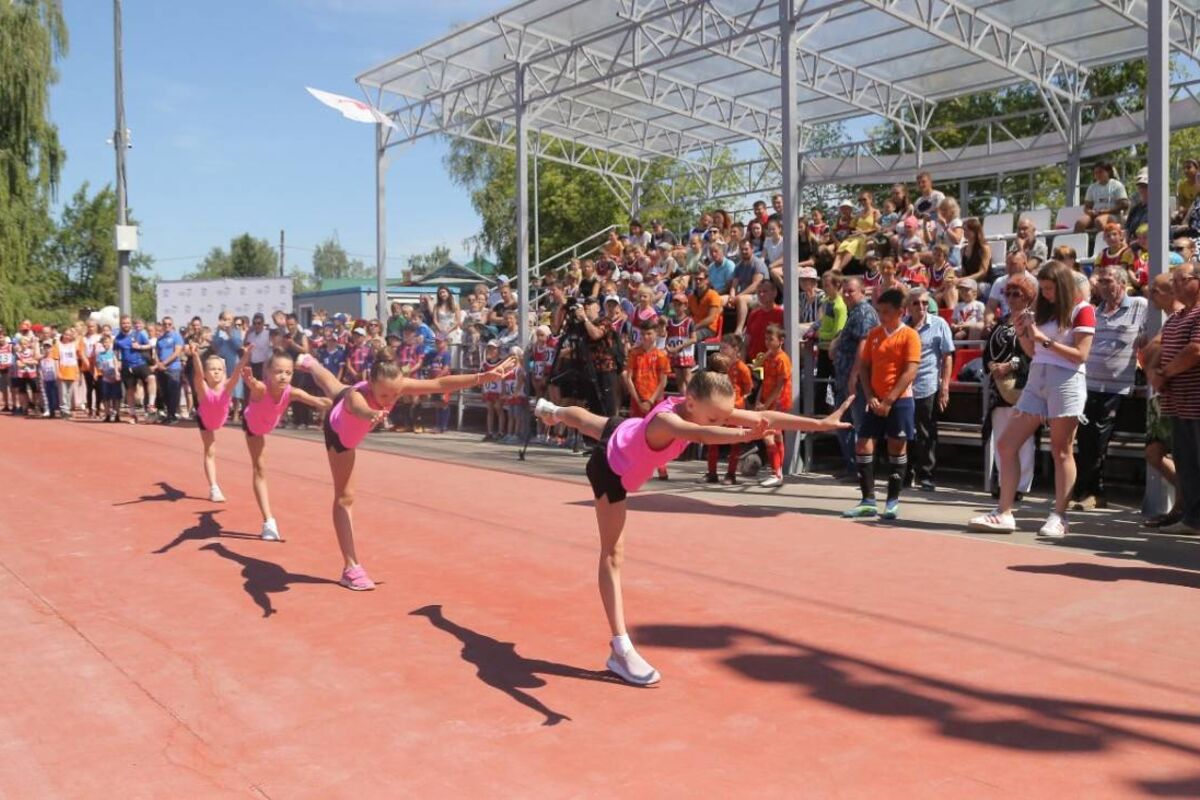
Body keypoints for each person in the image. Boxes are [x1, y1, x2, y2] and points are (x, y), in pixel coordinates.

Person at [532, 372, 853, 685]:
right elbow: (700, 435)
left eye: (723, 416)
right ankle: (620, 648)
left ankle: (553, 411)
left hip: (626, 431)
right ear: (692, 401)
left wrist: (818, 424)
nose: (720, 421)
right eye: (715, 416)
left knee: (589, 421)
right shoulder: (668, 421)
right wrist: (742, 436)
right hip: (610, 468)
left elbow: (763, 415)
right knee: (612, 555)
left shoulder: (702, 408)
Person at [297, 351, 515, 590]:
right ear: (370, 384)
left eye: (394, 394)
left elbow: (439, 383)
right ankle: (350, 568)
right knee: (344, 497)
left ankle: (311, 363)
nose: (390, 400)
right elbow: (360, 409)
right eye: (383, 395)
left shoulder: (394, 386)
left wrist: (483, 377)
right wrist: (373, 414)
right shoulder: (357, 397)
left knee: (331, 383)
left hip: (351, 409)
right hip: (339, 433)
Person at [969, 261, 1095, 537]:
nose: (1046, 294)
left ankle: (1059, 515)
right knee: (1005, 443)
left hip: (1066, 381)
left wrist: (1043, 339)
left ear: (1062, 287)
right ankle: (1003, 512)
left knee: (1061, 450)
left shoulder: (1082, 309)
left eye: (1050, 289)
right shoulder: (1043, 310)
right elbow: (1033, 352)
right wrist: (1025, 332)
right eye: (1043, 289)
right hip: (1038, 379)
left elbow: (1081, 355)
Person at [1072, 264, 1147, 511]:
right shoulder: (1095, 312)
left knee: (1097, 440)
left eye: (1107, 281)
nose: (1101, 286)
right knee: (1085, 439)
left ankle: (1094, 492)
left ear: (1122, 283)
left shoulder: (1139, 306)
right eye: (1100, 281)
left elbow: (1151, 338)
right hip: (1088, 385)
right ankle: (1087, 490)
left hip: (1117, 388)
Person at [843, 289, 921, 519]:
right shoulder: (874, 334)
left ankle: (892, 501)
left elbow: (910, 371)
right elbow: (865, 367)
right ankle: (867, 500)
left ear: (900, 312)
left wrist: (888, 400)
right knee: (863, 444)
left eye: (886, 312)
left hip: (900, 401)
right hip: (875, 400)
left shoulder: (910, 336)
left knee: (896, 448)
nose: (882, 315)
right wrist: (869, 396)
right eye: (879, 311)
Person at [241, 350, 333, 541]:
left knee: (261, 467)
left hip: (269, 424)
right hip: (253, 427)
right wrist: (251, 382)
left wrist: (344, 401)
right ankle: (269, 522)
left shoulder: (292, 392)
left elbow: (319, 401)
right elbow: (256, 386)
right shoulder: (261, 389)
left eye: (288, 373)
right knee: (259, 469)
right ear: (267, 372)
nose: (283, 376)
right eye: (278, 372)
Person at [1146, 262, 1200, 534]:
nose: (1176, 285)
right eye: (1175, 281)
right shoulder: (1177, 318)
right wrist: (1155, 369)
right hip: (1179, 403)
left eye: (1183, 280)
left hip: (1196, 403)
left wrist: (1164, 372)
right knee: (1187, 463)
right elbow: (1156, 350)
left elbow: (1195, 350)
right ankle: (1192, 519)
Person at [981, 273, 1037, 499]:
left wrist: (1010, 365)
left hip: (1024, 386)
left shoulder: (1032, 322)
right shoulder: (1002, 322)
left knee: (1023, 440)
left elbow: (1033, 354)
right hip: (999, 390)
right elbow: (987, 353)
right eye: (1009, 294)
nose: (1012, 298)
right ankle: (1004, 482)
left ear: (1028, 297)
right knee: (1001, 438)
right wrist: (992, 366)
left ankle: (1020, 486)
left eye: (1017, 294)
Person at [1140, 274, 1183, 527]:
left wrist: (1152, 359)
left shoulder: (1179, 316)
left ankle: (1181, 506)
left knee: (1178, 455)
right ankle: (1185, 501)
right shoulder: (1169, 319)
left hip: (1172, 395)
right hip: (1160, 397)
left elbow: (1151, 353)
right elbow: (1148, 355)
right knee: (1155, 453)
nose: (1151, 293)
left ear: (1172, 293)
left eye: (1157, 290)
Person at [188, 343, 251, 503]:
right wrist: (195, 355)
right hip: (205, 419)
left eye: (220, 369)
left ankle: (214, 487)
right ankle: (214, 487)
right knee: (210, 451)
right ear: (206, 374)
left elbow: (237, 371)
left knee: (211, 449)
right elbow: (198, 373)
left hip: (219, 420)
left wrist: (245, 356)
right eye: (212, 369)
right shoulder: (202, 388)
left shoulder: (227, 386)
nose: (216, 372)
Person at [906, 288, 955, 491]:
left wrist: (945, 386)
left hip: (927, 385)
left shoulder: (939, 324)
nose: (921, 307)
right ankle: (905, 473)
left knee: (926, 432)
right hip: (904, 387)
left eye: (925, 303)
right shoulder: (902, 327)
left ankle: (926, 475)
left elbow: (947, 356)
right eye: (916, 303)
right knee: (905, 432)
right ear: (909, 306)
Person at [831, 277, 879, 477]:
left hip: (857, 380)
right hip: (844, 377)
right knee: (842, 422)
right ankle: (853, 466)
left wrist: (854, 375)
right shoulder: (853, 312)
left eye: (851, 291)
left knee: (859, 424)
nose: (846, 294)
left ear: (862, 291)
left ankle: (862, 470)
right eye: (845, 291)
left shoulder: (864, 312)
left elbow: (864, 344)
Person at [623, 319, 672, 479]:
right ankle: (636, 464)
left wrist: (650, 400)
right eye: (643, 334)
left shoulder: (661, 356)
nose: (646, 337)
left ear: (656, 334)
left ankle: (661, 465)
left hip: (655, 400)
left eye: (649, 333)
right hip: (638, 398)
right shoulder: (634, 353)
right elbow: (628, 378)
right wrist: (638, 399)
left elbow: (662, 381)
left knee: (658, 434)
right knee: (637, 433)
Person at [703, 338, 753, 484]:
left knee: (735, 442)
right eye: (721, 348)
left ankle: (731, 474)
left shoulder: (742, 367)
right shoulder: (717, 367)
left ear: (735, 349)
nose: (721, 351)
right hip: (718, 408)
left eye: (725, 348)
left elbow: (748, 388)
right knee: (712, 439)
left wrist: (737, 401)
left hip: (735, 408)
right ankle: (712, 473)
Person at [755, 324, 793, 488]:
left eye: (771, 339)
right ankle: (777, 470)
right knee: (776, 436)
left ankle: (776, 473)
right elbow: (765, 382)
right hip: (768, 401)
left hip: (778, 403)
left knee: (769, 435)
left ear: (781, 341)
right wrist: (759, 399)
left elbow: (779, 386)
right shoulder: (768, 358)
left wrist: (766, 404)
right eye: (766, 339)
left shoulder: (782, 359)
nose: (768, 342)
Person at [113, 315, 151, 424]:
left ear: (131, 324)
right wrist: (116, 370)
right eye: (124, 323)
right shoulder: (117, 339)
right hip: (127, 367)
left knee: (151, 379)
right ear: (120, 325)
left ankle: (151, 407)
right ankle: (132, 414)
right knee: (130, 390)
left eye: (128, 323)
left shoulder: (139, 334)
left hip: (141, 364)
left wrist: (140, 347)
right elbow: (116, 355)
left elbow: (149, 345)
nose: (126, 325)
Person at [1075, 162, 1129, 232]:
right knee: (1080, 223)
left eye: (1100, 172)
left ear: (1108, 172)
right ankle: (1078, 242)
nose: (1098, 175)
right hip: (1095, 214)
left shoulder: (1117, 185)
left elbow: (1124, 204)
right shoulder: (1092, 187)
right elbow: (1087, 207)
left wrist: (1106, 211)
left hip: (1113, 215)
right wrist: (1091, 212)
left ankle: (1105, 242)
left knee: (1099, 221)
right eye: (1095, 173)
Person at [728, 240, 768, 333]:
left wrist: (738, 296)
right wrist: (731, 296)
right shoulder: (738, 266)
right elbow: (734, 285)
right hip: (744, 295)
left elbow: (756, 285)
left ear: (752, 249)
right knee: (720, 300)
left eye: (746, 249)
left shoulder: (758, 264)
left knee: (741, 299)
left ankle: (739, 330)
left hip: (760, 295)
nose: (744, 252)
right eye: (742, 250)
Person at [152, 316, 185, 424]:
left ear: (172, 325)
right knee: (164, 393)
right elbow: (156, 352)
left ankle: (173, 415)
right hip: (161, 370)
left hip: (173, 368)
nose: (167, 326)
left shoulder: (177, 336)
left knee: (173, 392)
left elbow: (177, 352)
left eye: (169, 324)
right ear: (162, 325)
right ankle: (169, 414)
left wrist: (164, 363)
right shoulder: (160, 338)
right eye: (165, 324)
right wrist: (158, 363)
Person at [743, 279, 783, 363]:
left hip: (773, 364)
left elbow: (783, 342)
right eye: (759, 292)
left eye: (765, 291)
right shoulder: (753, 314)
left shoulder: (781, 314)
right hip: (754, 364)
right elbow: (747, 341)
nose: (761, 294)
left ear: (774, 293)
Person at [664, 292, 696, 393]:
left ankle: (693, 398)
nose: (677, 307)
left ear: (685, 306)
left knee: (687, 378)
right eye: (675, 305)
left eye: (679, 305)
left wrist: (679, 347)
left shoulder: (689, 321)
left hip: (686, 354)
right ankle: (683, 399)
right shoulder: (669, 322)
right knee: (679, 380)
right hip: (675, 355)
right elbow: (666, 336)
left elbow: (693, 339)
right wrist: (668, 347)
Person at [95, 333, 123, 422]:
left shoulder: (115, 353)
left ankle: (117, 415)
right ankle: (107, 415)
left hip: (116, 378)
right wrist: (106, 375)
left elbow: (119, 364)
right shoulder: (100, 355)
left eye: (107, 342)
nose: (105, 344)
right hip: (106, 379)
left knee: (117, 397)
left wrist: (116, 374)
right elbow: (100, 367)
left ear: (111, 342)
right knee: (106, 397)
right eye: (104, 342)